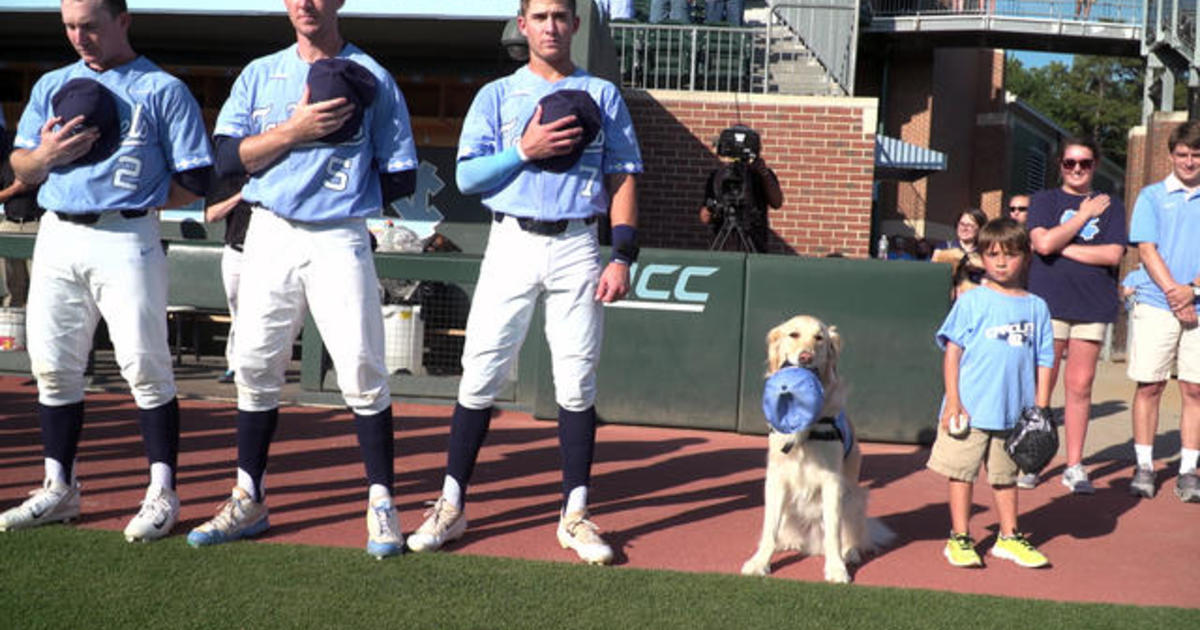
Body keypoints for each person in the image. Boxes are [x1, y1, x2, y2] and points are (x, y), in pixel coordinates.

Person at [406, 0, 642, 565]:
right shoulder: (497, 95)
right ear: (524, 24)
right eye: (540, 16)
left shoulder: (603, 94)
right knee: (481, 370)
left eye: (561, 16)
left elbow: (623, 174)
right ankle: (451, 503)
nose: (551, 26)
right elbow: (466, 176)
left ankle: (575, 514)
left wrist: (623, 256)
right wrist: (524, 149)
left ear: (575, 25)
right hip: (511, 239)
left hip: (578, 242)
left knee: (576, 380)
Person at [185, 0, 418, 558]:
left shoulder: (373, 76)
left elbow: (402, 172)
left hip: (338, 234)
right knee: (256, 367)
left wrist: (341, 196)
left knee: (362, 370)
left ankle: (382, 501)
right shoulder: (260, 73)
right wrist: (294, 131)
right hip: (269, 230)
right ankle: (249, 496)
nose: (307, 4)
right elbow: (225, 160)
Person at [0, 0, 212, 542]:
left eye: (90, 25)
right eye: (69, 26)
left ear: (122, 21)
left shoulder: (162, 89)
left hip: (125, 233)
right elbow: (20, 165)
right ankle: (58, 487)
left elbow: (195, 177)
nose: (79, 36)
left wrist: (135, 199)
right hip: (58, 231)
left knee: (146, 366)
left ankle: (163, 491)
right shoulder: (52, 84)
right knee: (53, 366)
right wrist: (45, 154)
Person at [929, 217, 1054, 569]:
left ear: (1026, 257)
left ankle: (1008, 537)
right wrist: (953, 399)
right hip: (969, 409)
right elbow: (952, 352)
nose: (1001, 262)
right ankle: (959, 537)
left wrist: (1041, 408)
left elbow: (1045, 359)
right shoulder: (972, 301)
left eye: (1010, 254)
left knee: (1005, 477)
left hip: (1014, 413)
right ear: (982, 257)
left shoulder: (1036, 307)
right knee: (962, 473)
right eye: (992, 254)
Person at [1025, 138, 1126, 493]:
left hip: (1091, 304)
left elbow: (1113, 255)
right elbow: (1041, 244)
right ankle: (1032, 458)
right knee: (1042, 387)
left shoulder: (1111, 205)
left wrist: (1061, 245)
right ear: (1061, 166)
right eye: (1070, 163)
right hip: (1049, 303)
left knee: (1080, 386)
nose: (1077, 169)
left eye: (1084, 163)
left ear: (1095, 165)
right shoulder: (1043, 201)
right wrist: (1082, 216)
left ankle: (1074, 465)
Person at [1123, 121, 1200, 503]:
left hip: (1198, 305)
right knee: (1150, 385)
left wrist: (1194, 290)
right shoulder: (1151, 196)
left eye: (1196, 155)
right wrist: (1176, 294)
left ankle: (1188, 470)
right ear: (1171, 156)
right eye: (1183, 154)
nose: (1189, 161)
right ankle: (1144, 465)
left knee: (1195, 389)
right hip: (1156, 304)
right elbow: (1147, 249)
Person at [202, 174, 251, 384]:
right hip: (236, 251)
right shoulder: (231, 178)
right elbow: (211, 215)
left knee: (259, 311)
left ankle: (250, 366)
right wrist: (242, 195)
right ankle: (235, 365)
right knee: (237, 309)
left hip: (267, 254)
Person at [698, 142, 783, 253]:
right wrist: (713, 207)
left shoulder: (759, 175)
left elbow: (777, 202)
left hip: (754, 242)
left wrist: (763, 173)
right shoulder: (718, 176)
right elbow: (705, 217)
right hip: (725, 244)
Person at [0, 117, 44, 308]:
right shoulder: (6, 161)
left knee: (40, 287)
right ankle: (10, 336)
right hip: (8, 225)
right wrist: (15, 189)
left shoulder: (47, 160)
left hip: (38, 226)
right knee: (11, 290)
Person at [931, 208, 987, 299]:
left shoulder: (985, 252)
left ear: (980, 228)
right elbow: (933, 270)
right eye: (962, 224)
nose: (964, 228)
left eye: (970, 225)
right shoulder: (944, 247)